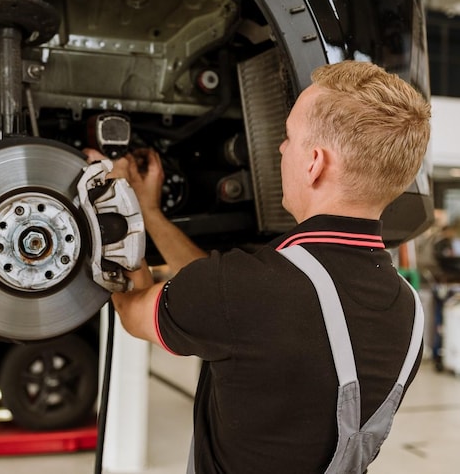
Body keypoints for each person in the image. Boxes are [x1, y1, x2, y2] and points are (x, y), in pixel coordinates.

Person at [85, 60, 431, 473]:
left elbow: (133, 308)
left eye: (289, 137)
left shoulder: (241, 291)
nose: (281, 149)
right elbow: (231, 303)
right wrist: (152, 214)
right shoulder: (409, 314)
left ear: (315, 163)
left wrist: (117, 201)